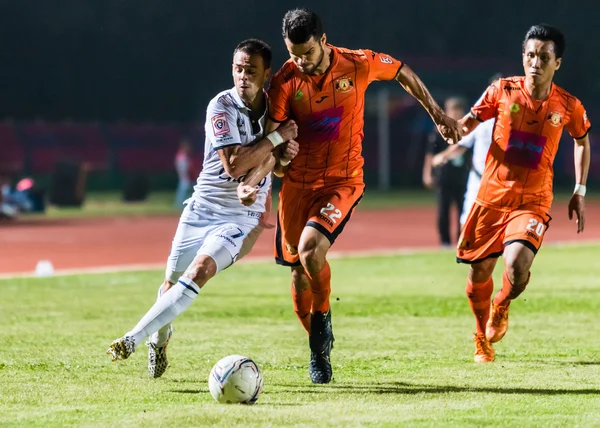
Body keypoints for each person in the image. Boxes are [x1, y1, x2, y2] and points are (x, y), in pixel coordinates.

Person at [239, 8, 462, 384]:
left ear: (324, 42)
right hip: (298, 186)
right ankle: (318, 343)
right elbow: (276, 151)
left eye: (307, 53)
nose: (300, 61)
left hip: (343, 180)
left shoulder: (357, 63)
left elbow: (402, 72)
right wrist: (279, 159)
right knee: (298, 277)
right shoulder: (284, 82)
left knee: (312, 250)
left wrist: (438, 114)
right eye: (293, 54)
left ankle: (321, 325)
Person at [106, 38, 300, 378]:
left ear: (266, 74)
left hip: (242, 216)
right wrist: (278, 139)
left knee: (199, 270)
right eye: (238, 69)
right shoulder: (220, 107)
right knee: (169, 285)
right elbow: (233, 165)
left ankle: (132, 339)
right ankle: (159, 341)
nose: (243, 76)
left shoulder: (275, 110)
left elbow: (279, 165)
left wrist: (283, 153)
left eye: (251, 71)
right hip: (202, 207)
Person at [456, 24, 591, 363]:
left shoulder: (568, 105)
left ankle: (501, 303)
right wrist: (451, 127)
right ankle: (479, 334)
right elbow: (467, 122)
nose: (535, 63)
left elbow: (582, 140)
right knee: (479, 273)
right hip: (491, 197)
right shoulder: (501, 91)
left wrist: (579, 188)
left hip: (533, 199)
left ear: (556, 63)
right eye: (530, 55)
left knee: (517, 267)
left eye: (544, 57)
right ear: (523, 57)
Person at [432, 75, 501, 228]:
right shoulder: (480, 116)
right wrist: (443, 156)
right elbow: (463, 144)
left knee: (500, 225)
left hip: (503, 183)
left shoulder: (515, 119)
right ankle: (466, 251)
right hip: (478, 178)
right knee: (467, 221)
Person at [423, 97, 470, 247]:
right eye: (452, 110)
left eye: (458, 110)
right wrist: (427, 173)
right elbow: (430, 155)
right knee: (443, 211)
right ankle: (445, 242)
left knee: (464, 212)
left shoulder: (468, 130)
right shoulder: (439, 131)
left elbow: (467, 149)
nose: (455, 113)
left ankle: (460, 240)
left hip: (463, 178)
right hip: (444, 178)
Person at [174, 138, 194, 208]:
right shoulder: (181, 156)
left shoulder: (184, 155)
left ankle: (180, 204)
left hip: (188, 176)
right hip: (185, 176)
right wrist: (184, 175)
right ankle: (179, 205)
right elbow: (182, 167)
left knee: (183, 191)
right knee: (183, 191)